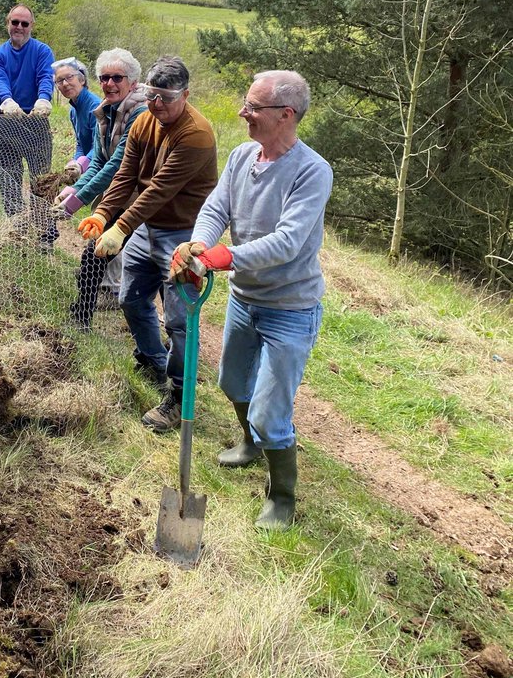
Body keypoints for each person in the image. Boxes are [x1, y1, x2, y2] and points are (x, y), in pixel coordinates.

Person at [170, 70, 333, 530]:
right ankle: (249, 443)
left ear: (285, 115)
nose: (244, 113)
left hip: (290, 308)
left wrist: (221, 257)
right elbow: (216, 208)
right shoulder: (243, 156)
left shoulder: (312, 171)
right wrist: (199, 246)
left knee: (270, 410)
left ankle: (281, 496)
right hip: (245, 298)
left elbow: (287, 242)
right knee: (232, 383)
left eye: (253, 107)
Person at [78, 56, 217, 431]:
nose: (157, 105)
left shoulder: (196, 135)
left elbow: (159, 189)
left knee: (179, 320)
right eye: (152, 95)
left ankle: (177, 397)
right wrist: (103, 214)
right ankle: (156, 361)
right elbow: (126, 175)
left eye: (166, 98)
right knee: (131, 299)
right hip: (146, 227)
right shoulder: (143, 121)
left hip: (182, 236)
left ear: (185, 95)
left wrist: (120, 227)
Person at [52, 48, 146, 329]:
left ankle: (166, 342)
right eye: (104, 77)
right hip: (115, 196)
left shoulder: (139, 115)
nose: (109, 83)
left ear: (133, 82)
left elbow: (116, 165)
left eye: (117, 77)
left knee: (145, 267)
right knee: (97, 257)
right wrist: (76, 188)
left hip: (141, 200)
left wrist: (74, 202)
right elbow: (98, 160)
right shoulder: (105, 111)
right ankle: (83, 316)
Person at [0, 5, 55, 232]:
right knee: (8, 177)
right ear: (8, 23)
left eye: (24, 23)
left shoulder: (42, 51)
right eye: (15, 22)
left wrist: (44, 99)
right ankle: (18, 229)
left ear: (31, 26)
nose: (19, 27)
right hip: (7, 121)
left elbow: (46, 76)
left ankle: (46, 232)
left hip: (36, 121)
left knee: (42, 178)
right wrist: (6, 100)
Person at [51, 57, 100, 180]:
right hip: (92, 167)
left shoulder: (95, 107)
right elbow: (81, 144)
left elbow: (100, 147)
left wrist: (81, 164)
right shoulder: (73, 109)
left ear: (82, 79)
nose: (65, 84)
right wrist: (75, 163)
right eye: (60, 80)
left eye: (69, 77)